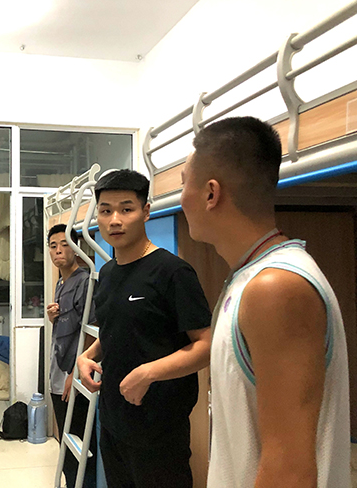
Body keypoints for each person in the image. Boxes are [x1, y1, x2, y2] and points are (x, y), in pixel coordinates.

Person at [180, 116, 350, 487]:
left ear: (211, 194)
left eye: (183, 183)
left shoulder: (275, 288)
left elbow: (289, 470)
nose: (181, 198)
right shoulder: (248, 279)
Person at [77, 169, 212, 488]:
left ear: (146, 211)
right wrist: (87, 355)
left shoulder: (172, 272)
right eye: (106, 211)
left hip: (159, 428)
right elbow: (117, 327)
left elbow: (207, 345)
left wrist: (149, 373)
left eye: (126, 209)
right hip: (113, 421)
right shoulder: (107, 273)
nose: (114, 220)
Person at [46, 224, 97, 488]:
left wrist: (75, 375)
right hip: (59, 373)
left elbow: (92, 330)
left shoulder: (85, 281)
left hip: (73, 375)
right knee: (67, 445)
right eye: (53, 245)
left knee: (81, 443)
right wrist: (52, 317)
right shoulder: (60, 282)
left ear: (77, 248)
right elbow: (68, 325)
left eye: (64, 244)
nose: (58, 250)